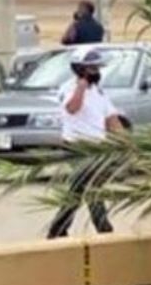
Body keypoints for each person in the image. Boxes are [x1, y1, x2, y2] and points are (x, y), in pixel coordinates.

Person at [49, 47, 121, 237]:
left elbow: (111, 118)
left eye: (97, 68)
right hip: (77, 147)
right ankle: (104, 229)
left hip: (96, 148)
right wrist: (80, 87)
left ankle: (58, 229)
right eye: (91, 68)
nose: (96, 72)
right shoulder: (68, 88)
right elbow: (72, 108)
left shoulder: (99, 92)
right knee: (90, 185)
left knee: (81, 188)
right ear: (80, 69)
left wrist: (125, 142)